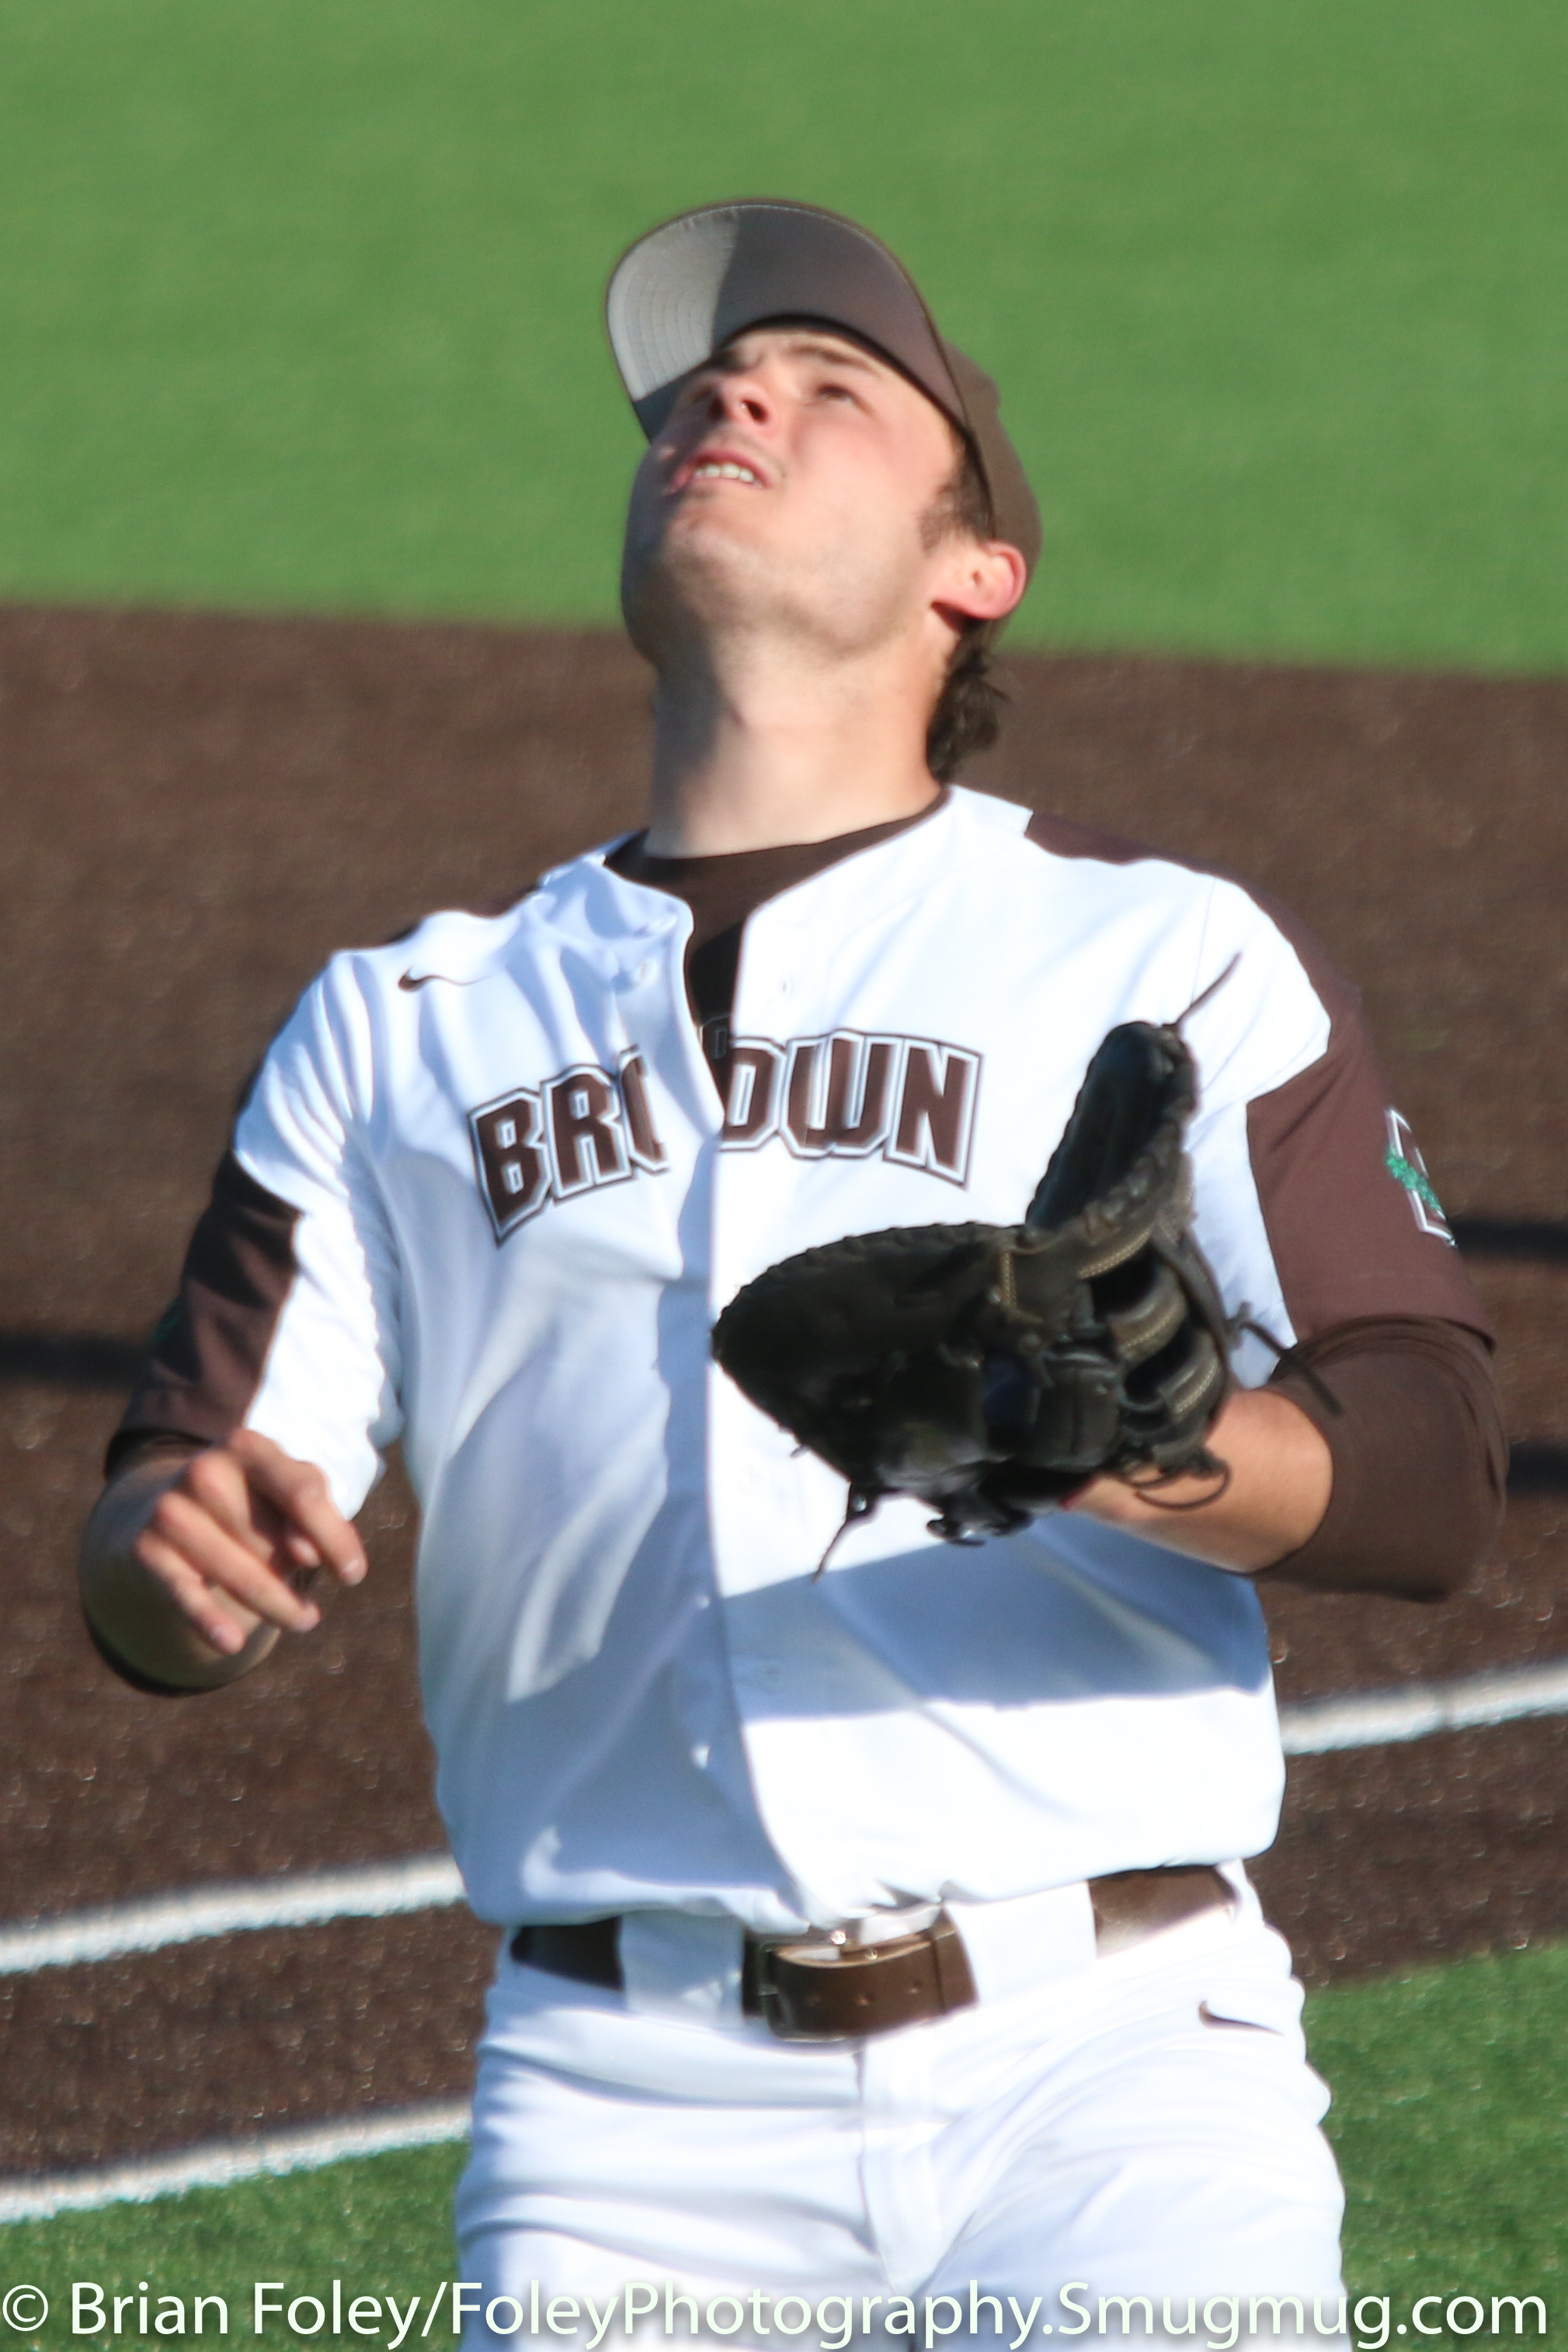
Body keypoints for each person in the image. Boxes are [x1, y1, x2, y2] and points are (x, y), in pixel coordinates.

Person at [81, 201, 1505, 2344]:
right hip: (616, 2122)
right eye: (705, 389)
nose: (733, 396)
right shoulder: (406, 1023)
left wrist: (1142, 1448)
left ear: (974, 568)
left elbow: (1432, 1459)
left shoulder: (1154, 954)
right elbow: (165, 1515)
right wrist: (168, 1560)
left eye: (830, 387)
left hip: (1114, 2072)